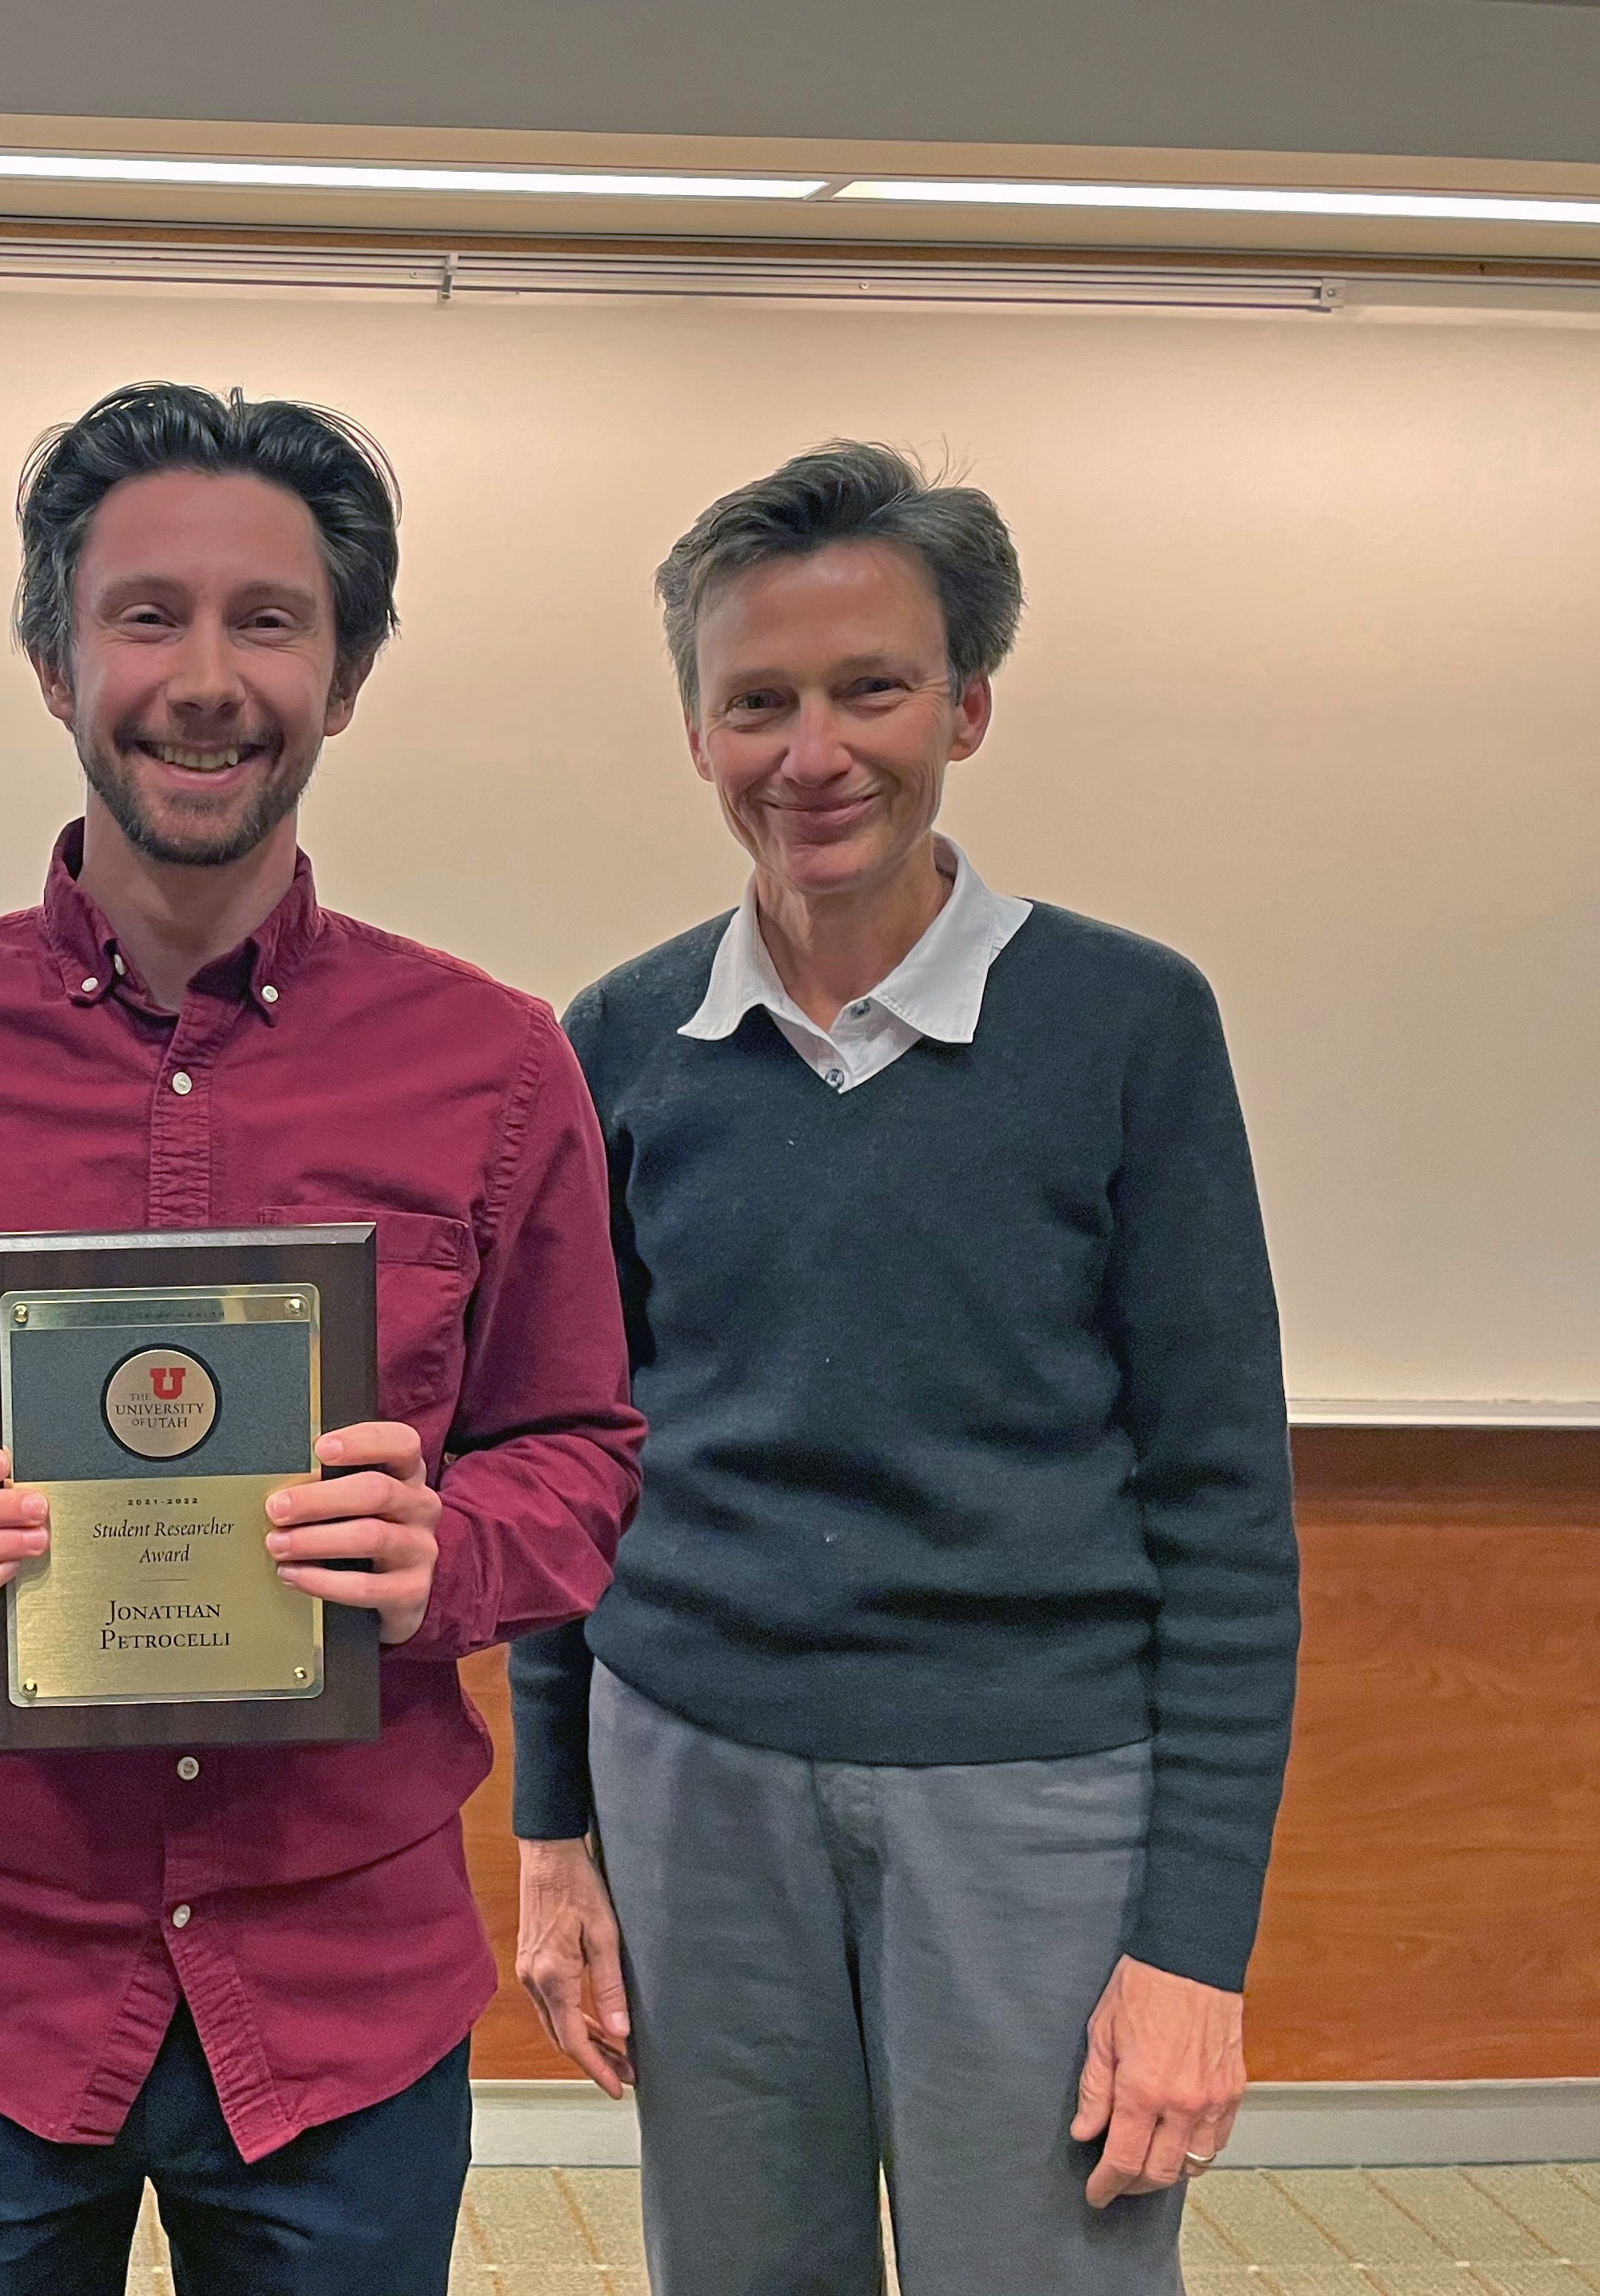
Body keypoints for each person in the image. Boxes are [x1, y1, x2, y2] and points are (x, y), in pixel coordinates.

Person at [0, 381, 643, 2295]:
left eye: (267, 619)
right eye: (145, 615)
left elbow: (578, 1446)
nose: (202, 678)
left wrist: (444, 1552)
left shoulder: (490, 1063)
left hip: (341, 1970)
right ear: (54, 656)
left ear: (348, 667)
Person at [509, 441, 1302, 2296]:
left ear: (967, 701)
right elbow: (565, 1455)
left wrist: (1193, 1946)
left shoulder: (1126, 1024)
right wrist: (555, 1827)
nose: (813, 751)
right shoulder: (618, 1042)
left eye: (869, 688)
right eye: (755, 701)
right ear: (696, 731)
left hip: (1032, 1791)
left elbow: (1222, 1509)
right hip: (688, 1778)